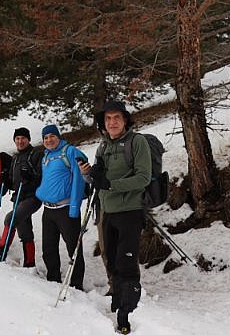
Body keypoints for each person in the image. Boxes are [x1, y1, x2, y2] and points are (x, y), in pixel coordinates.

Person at [80, 101, 151, 334]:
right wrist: (90, 175)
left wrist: (111, 185)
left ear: (125, 120)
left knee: (126, 262)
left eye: (116, 118)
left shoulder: (137, 142)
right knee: (111, 258)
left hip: (130, 211)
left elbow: (143, 178)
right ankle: (117, 297)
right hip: (107, 211)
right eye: (108, 119)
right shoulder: (103, 147)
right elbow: (98, 180)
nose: (112, 122)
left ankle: (125, 313)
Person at [35, 124, 88, 290]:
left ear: (58, 136)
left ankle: (76, 284)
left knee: (74, 248)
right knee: (48, 248)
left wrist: (74, 207)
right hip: (48, 210)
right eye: (45, 138)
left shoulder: (70, 152)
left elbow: (80, 180)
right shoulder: (46, 156)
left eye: (52, 136)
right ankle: (53, 280)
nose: (49, 140)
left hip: (66, 209)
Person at [0, 128, 43, 266]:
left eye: (23, 138)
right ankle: (30, 263)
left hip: (32, 197)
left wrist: (30, 177)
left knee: (10, 219)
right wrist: (5, 180)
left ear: (29, 139)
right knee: (24, 230)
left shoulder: (36, 154)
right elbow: (12, 180)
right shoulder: (15, 157)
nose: (20, 141)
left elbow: (41, 176)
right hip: (18, 197)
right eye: (17, 139)